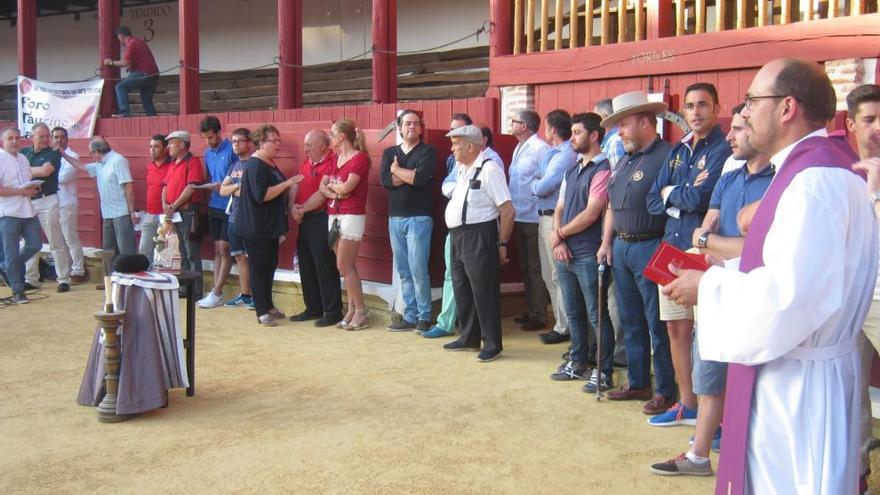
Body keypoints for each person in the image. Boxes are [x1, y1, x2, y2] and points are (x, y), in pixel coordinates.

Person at [664, 58, 877, 495]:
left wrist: (707, 286)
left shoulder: (812, 181)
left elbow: (787, 299)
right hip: (809, 370)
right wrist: (722, 272)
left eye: (751, 101)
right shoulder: (829, 167)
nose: (743, 113)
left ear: (786, 107)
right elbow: (794, 268)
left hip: (797, 388)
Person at [650, 104, 773, 476]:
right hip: (719, 287)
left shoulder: (779, 181)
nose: (730, 136)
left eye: (739, 129)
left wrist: (715, 243)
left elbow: (764, 249)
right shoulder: (730, 178)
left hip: (755, 292)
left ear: (760, 131)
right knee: (710, 372)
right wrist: (716, 243)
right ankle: (699, 455)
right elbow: (701, 236)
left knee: (752, 377)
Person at [645, 83, 731, 427]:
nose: (695, 112)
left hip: (703, 250)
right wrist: (678, 193)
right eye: (690, 106)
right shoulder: (679, 149)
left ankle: (716, 415)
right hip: (671, 247)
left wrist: (672, 195)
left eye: (703, 105)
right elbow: (653, 201)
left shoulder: (724, 148)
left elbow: (703, 200)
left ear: (716, 107)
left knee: (708, 332)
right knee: (675, 330)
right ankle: (687, 403)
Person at [596, 91, 676, 415]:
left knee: (657, 322)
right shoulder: (626, 159)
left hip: (651, 245)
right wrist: (605, 242)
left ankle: (666, 389)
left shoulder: (667, 157)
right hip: (622, 246)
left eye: (624, 125)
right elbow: (613, 204)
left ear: (645, 122)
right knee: (630, 320)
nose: (620, 132)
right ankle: (638, 380)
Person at [548, 112, 615, 391]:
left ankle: (603, 370)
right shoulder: (572, 169)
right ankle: (578, 362)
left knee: (595, 313)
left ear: (594, 135)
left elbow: (592, 213)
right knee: (573, 312)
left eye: (577, 133)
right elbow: (560, 208)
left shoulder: (603, 169)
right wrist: (559, 240)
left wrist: (559, 235)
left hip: (588, 251)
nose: (572, 138)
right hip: (566, 250)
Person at [441, 125, 514, 362]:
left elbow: (507, 210)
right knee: (462, 286)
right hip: (459, 234)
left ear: (471, 146)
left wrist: (502, 242)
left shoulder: (490, 169)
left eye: (456, 144)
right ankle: (469, 336)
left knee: (483, 290)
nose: (452, 149)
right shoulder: (463, 168)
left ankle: (492, 343)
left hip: (478, 234)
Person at [846, 83, 880, 494]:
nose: (878, 127)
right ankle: (857, 476)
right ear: (851, 123)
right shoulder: (839, 170)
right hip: (849, 296)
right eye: (869, 119)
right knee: (849, 390)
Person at [234, 124, 302, 326]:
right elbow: (262, 195)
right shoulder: (255, 165)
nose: (278, 144)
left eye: (278, 140)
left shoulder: (269, 163)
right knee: (259, 267)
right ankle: (261, 310)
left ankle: (268, 304)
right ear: (261, 143)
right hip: (256, 226)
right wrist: (288, 184)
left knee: (269, 265)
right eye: (274, 141)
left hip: (268, 225)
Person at [381, 110, 437, 332]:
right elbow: (386, 180)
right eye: (407, 124)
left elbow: (420, 178)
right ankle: (410, 315)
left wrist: (398, 171)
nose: (412, 127)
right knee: (404, 270)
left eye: (415, 124)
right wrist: (406, 174)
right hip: (395, 218)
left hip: (419, 218)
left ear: (421, 128)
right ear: (400, 127)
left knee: (418, 268)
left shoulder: (428, 151)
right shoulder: (389, 153)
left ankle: (424, 315)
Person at [422, 113, 473, 339]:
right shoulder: (455, 160)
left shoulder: (489, 161)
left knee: (468, 275)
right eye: (451, 131)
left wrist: (457, 188)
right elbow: (446, 186)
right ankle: (450, 321)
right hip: (456, 225)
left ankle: (466, 323)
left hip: (474, 227)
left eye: (458, 132)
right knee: (452, 274)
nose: (453, 139)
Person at [319, 118, 371, 331]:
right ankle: (351, 309)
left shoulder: (360, 158)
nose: (330, 138)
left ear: (342, 136)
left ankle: (360, 310)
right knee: (345, 266)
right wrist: (337, 189)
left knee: (344, 265)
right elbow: (324, 186)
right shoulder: (336, 159)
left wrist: (337, 188)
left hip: (351, 214)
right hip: (335, 213)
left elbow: (349, 186)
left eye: (332, 134)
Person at [289, 129, 343, 325]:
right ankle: (313, 307)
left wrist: (301, 209)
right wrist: (292, 207)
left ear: (322, 145)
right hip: (305, 219)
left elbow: (323, 193)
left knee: (324, 265)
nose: (305, 149)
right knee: (306, 264)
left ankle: (332, 311)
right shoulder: (307, 162)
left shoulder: (332, 162)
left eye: (309, 145)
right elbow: (297, 184)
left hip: (321, 217)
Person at [532, 110, 577, 346]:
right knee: (549, 274)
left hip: (554, 218)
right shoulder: (554, 153)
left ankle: (564, 327)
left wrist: (535, 184)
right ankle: (561, 323)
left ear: (552, 129)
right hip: (545, 216)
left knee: (557, 275)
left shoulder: (565, 155)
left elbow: (543, 186)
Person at [509, 108, 551, 331]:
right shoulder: (519, 147)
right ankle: (532, 308)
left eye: (514, 121)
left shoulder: (540, 149)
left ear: (524, 126)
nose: (511, 123)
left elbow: (548, 180)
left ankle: (540, 314)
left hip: (534, 216)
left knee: (535, 267)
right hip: (519, 214)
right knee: (525, 266)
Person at [67, 137, 137, 267]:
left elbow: (128, 185)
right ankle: (110, 280)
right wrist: (63, 154)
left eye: (90, 153)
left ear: (97, 151)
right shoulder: (100, 164)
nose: (90, 155)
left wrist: (131, 210)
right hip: (107, 213)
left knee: (125, 249)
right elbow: (81, 167)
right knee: (109, 250)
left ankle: (129, 279)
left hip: (122, 212)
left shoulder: (118, 160)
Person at [21, 123, 72, 292]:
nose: (45, 139)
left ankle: (64, 278)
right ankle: (31, 278)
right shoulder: (24, 153)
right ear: (32, 137)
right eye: (40, 136)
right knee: (30, 241)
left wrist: (27, 171)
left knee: (55, 241)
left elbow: (46, 172)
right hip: (28, 201)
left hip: (47, 199)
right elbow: (20, 173)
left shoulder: (54, 152)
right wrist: (35, 171)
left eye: (46, 136)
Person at [198, 116, 238, 309]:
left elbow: (238, 174)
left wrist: (222, 185)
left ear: (219, 133)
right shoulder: (207, 153)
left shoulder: (231, 149)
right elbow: (210, 176)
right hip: (215, 202)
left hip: (229, 203)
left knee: (224, 248)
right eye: (205, 138)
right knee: (217, 249)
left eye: (211, 137)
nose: (208, 141)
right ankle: (216, 291)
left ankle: (217, 291)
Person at [0, 127, 42, 304]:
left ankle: (7, 267)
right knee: (11, 251)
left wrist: (33, 188)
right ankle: (17, 291)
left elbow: (26, 183)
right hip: (8, 211)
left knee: (35, 244)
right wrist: (21, 192)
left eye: (17, 138)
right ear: (3, 141)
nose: (14, 141)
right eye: (10, 138)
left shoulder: (23, 158)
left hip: (27, 209)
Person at [161, 130, 204, 297]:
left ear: (181, 144)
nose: (169, 146)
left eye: (172, 143)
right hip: (175, 212)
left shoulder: (192, 162)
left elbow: (191, 187)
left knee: (191, 251)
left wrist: (173, 205)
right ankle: (186, 287)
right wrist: (166, 204)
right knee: (181, 251)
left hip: (187, 211)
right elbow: (165, 186)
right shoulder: (173, 163)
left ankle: (196, 290)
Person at [218, 128, 255, 309]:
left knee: (253, 257)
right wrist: (235, 188)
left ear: (249, 143)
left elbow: (249, 192)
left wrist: (233, 187)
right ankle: (246, 294)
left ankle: (257, 296)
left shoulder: (255, 164)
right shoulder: (234, 166)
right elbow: (222, 190)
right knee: (239, 256)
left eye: (239, 141)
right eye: (233, 141)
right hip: (233, 216)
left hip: (249, 218)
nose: (235, 145)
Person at [52, 127, 87, 284]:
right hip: (53, 202)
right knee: (58, 240)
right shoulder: (50, 156)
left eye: (62, 137)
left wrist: (46, 173)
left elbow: (64, 178)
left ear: (67, 139)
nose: (59, 140)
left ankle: (78, 269)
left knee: (70, 237)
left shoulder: (72, 155)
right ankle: (65, 270)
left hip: (67, 202)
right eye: (56, 137)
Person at [104, 26, 160, 117]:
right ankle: (154, 121)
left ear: (121, 36)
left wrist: (110, 62)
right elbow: (138, 60)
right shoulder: (138, 41)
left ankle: (124, 113)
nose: (119, 40)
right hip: (153, 75)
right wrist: (132, 68)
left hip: (144, 74)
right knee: (147, 102)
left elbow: (124, 63)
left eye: (118, 38)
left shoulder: (131, 43)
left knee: (120, 87)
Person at [138, 135, 171, 264]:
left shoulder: (171, 166)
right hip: (149, 213)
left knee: (162, 252)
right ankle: (146, 283)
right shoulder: (150, 166)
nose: (152, 150)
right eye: (151, 147)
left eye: (156, 147)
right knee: (144, 250)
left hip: (165, 216)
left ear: (165, 149)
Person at [594, 98, 626, 170]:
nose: (593, 121)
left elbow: (617, 174)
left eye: (595, 117)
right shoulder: (613, 139)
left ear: (603, 117)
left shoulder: (615, 142)